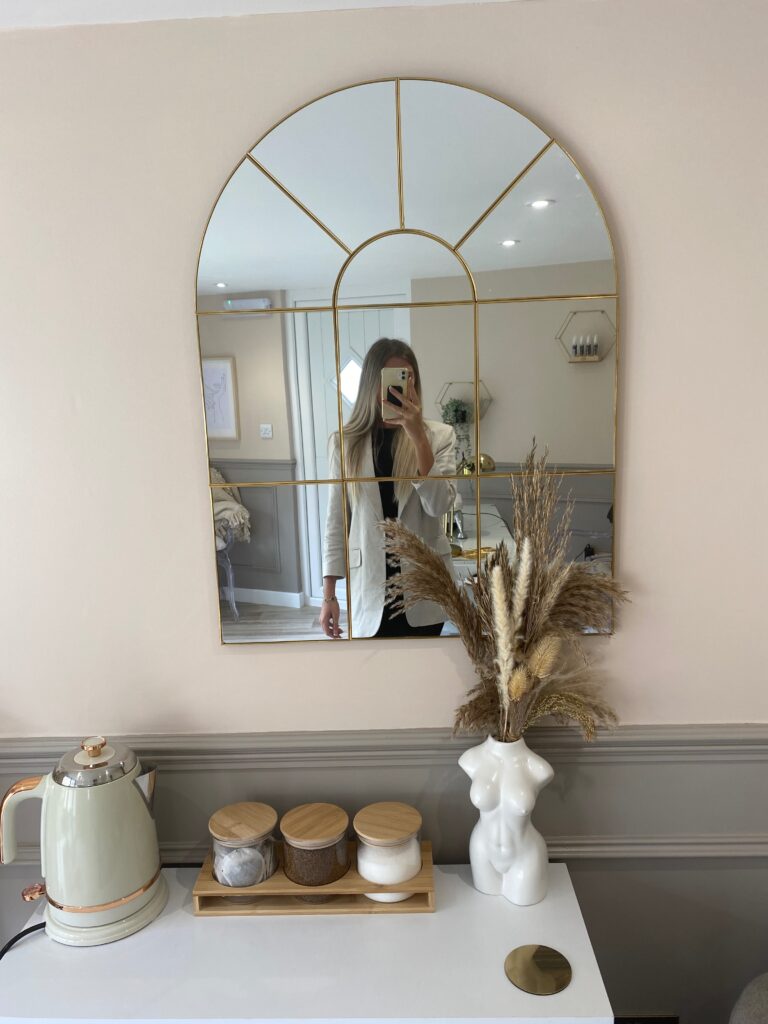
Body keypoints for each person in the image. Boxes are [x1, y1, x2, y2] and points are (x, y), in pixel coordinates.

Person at [321, 338, 457, 639]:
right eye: (390, 379)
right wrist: (329, 595)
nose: (399, 389)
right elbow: (336, 521)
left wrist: (419, 439)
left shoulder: (439, 436)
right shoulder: (345, 444)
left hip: (424, 589)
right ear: (373, 382)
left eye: (407, 379)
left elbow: (438, 506)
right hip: (370, 589)